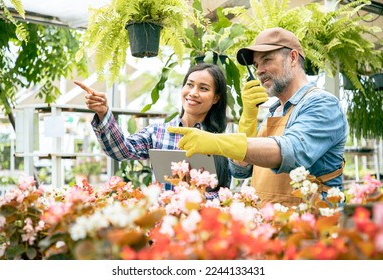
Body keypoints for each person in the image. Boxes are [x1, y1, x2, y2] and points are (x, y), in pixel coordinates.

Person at [168, 27, 348, 207]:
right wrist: (248, 118)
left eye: (267, 60)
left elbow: (291, 152)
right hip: (269, 223)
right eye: (256, 65)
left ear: (293, 58)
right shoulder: (274, 111)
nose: (260, 70)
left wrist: (219, 142)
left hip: (309, 226)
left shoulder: (322, 104)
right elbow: (240, 169)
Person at [74, 63, 230, 198]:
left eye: (203, 88)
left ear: (216, 98)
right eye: (189, 84)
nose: (193, 92)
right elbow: (121, 151)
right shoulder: (158, 132)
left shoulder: (220, 140)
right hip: (164, 223)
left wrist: (199, 196)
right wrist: (103, 113)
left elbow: (225, 190)